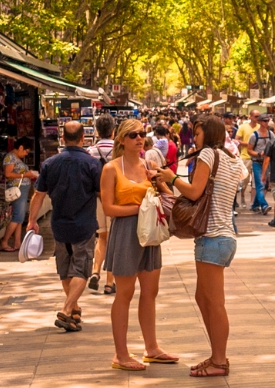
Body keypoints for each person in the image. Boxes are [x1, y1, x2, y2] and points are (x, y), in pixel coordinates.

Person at [152, 115, 248, 378]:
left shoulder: (207, 154)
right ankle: (217, 354)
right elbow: (235, 180)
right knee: (202, 298)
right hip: (223, 236)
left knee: (214, 303)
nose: (193, 138)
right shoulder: (231, 158)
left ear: (209, 134)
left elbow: (194, 192)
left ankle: (220, 360)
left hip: (213, 237)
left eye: (196, 134)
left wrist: (172, 178)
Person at [99, 119, 175, 371]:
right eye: (133, 135)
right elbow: (109, 208)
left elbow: (168, 196)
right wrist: (142, 209)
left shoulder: (149, 165)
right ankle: (120, 354)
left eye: (142, 134)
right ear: (121, 139)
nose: (139, 138)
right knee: (124, 293)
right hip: (125, 233)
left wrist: (162, 183)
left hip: (150, 233)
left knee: (150, 292)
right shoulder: (111, 169)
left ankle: (151, 348)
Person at [27, 121, 100, 332]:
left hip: (59, 225)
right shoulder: (92, 164)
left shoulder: (50, 164)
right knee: (82, 268)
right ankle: (67, 309)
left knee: (65, 269)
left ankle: (74, 311)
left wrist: (32, 220)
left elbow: (38, 196)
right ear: (82, 139)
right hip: (84, 225)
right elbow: (102, 194)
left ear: (62, 138)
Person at [86, 116, 118, 295]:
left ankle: (96, 271)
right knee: (114, 238)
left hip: (97, 199)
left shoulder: (90, 151)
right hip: (114, 200)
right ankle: (110, 282)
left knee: (102, 237)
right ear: (113, 130)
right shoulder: (119, 150)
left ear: (96, 131)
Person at [0, 140, 37, 252]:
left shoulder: (15, 158)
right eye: (26, 151)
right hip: (17, 189)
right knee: (18, 216)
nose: (26, 154)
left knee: (19, 217)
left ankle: (17, 243)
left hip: (22, 189)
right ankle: (4, 241)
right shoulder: (10, 157)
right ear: (20, 147)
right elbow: (8, 174)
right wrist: (25, 175)